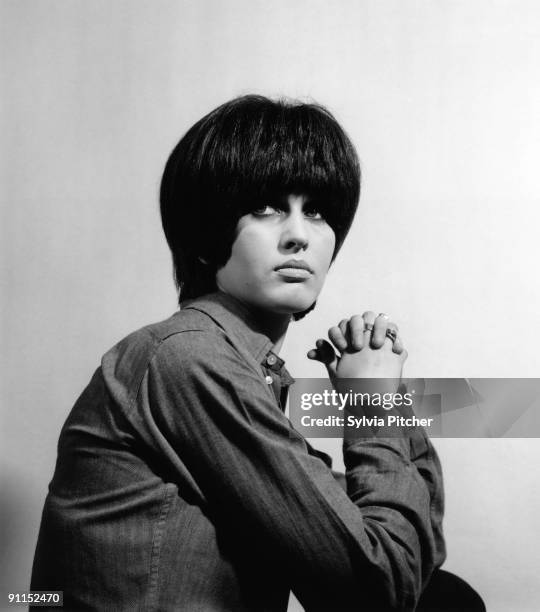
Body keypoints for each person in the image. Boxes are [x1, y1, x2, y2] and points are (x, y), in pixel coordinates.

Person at [30, 95, 485, 611]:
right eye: (265, 208)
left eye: (315, 211)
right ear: (205, 236)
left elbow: (414, 556)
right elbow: (374, 594)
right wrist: (370, 405)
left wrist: (385, 397)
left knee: (446, 599)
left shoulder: (255, 374)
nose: (298, 236)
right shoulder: (187, 360)